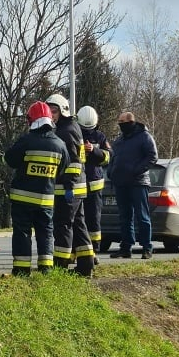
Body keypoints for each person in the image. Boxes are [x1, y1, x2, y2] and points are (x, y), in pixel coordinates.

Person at [3, 101, 66, 277]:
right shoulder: (60, 145)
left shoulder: (26, 141)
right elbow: (62, 169)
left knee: (22, 232)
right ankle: (46, 268)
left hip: (22, 199)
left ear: (31, 120)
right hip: (46, 200)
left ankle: (22, 270)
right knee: (46, 232)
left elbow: (9, 160)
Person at [45, 93, 95, 275]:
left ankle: (60, 265)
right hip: (75, 188)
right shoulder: (69, 127)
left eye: (54, 111)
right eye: (49, 111)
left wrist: (68, 187)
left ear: (63, 111)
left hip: (69, 189)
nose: (51, 115)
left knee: (63, 225)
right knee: (79, 226)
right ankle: (85, 266)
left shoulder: (66, 131)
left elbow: (74, 163)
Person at [107, 110, 158, 258]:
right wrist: (111, 171)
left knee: (142, 216)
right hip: (121, 183)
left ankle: (147, 247)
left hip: (138, 182)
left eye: (122, 122)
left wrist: (136, 171)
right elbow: (113, 158)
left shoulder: (144, 137)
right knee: (125, 217)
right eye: (119, 123)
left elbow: (152, 156)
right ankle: (126, 247)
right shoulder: (120, 140)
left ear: (131, 122)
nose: (120, 125)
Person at [78, 106, 110, 253]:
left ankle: (94, 251)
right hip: (78, 184)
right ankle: (80, 250)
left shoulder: (100, 136)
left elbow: (109, 156)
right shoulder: (75, 134)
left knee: (94, 219)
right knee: (79, 219)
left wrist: (94, 150)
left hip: (94, 185)